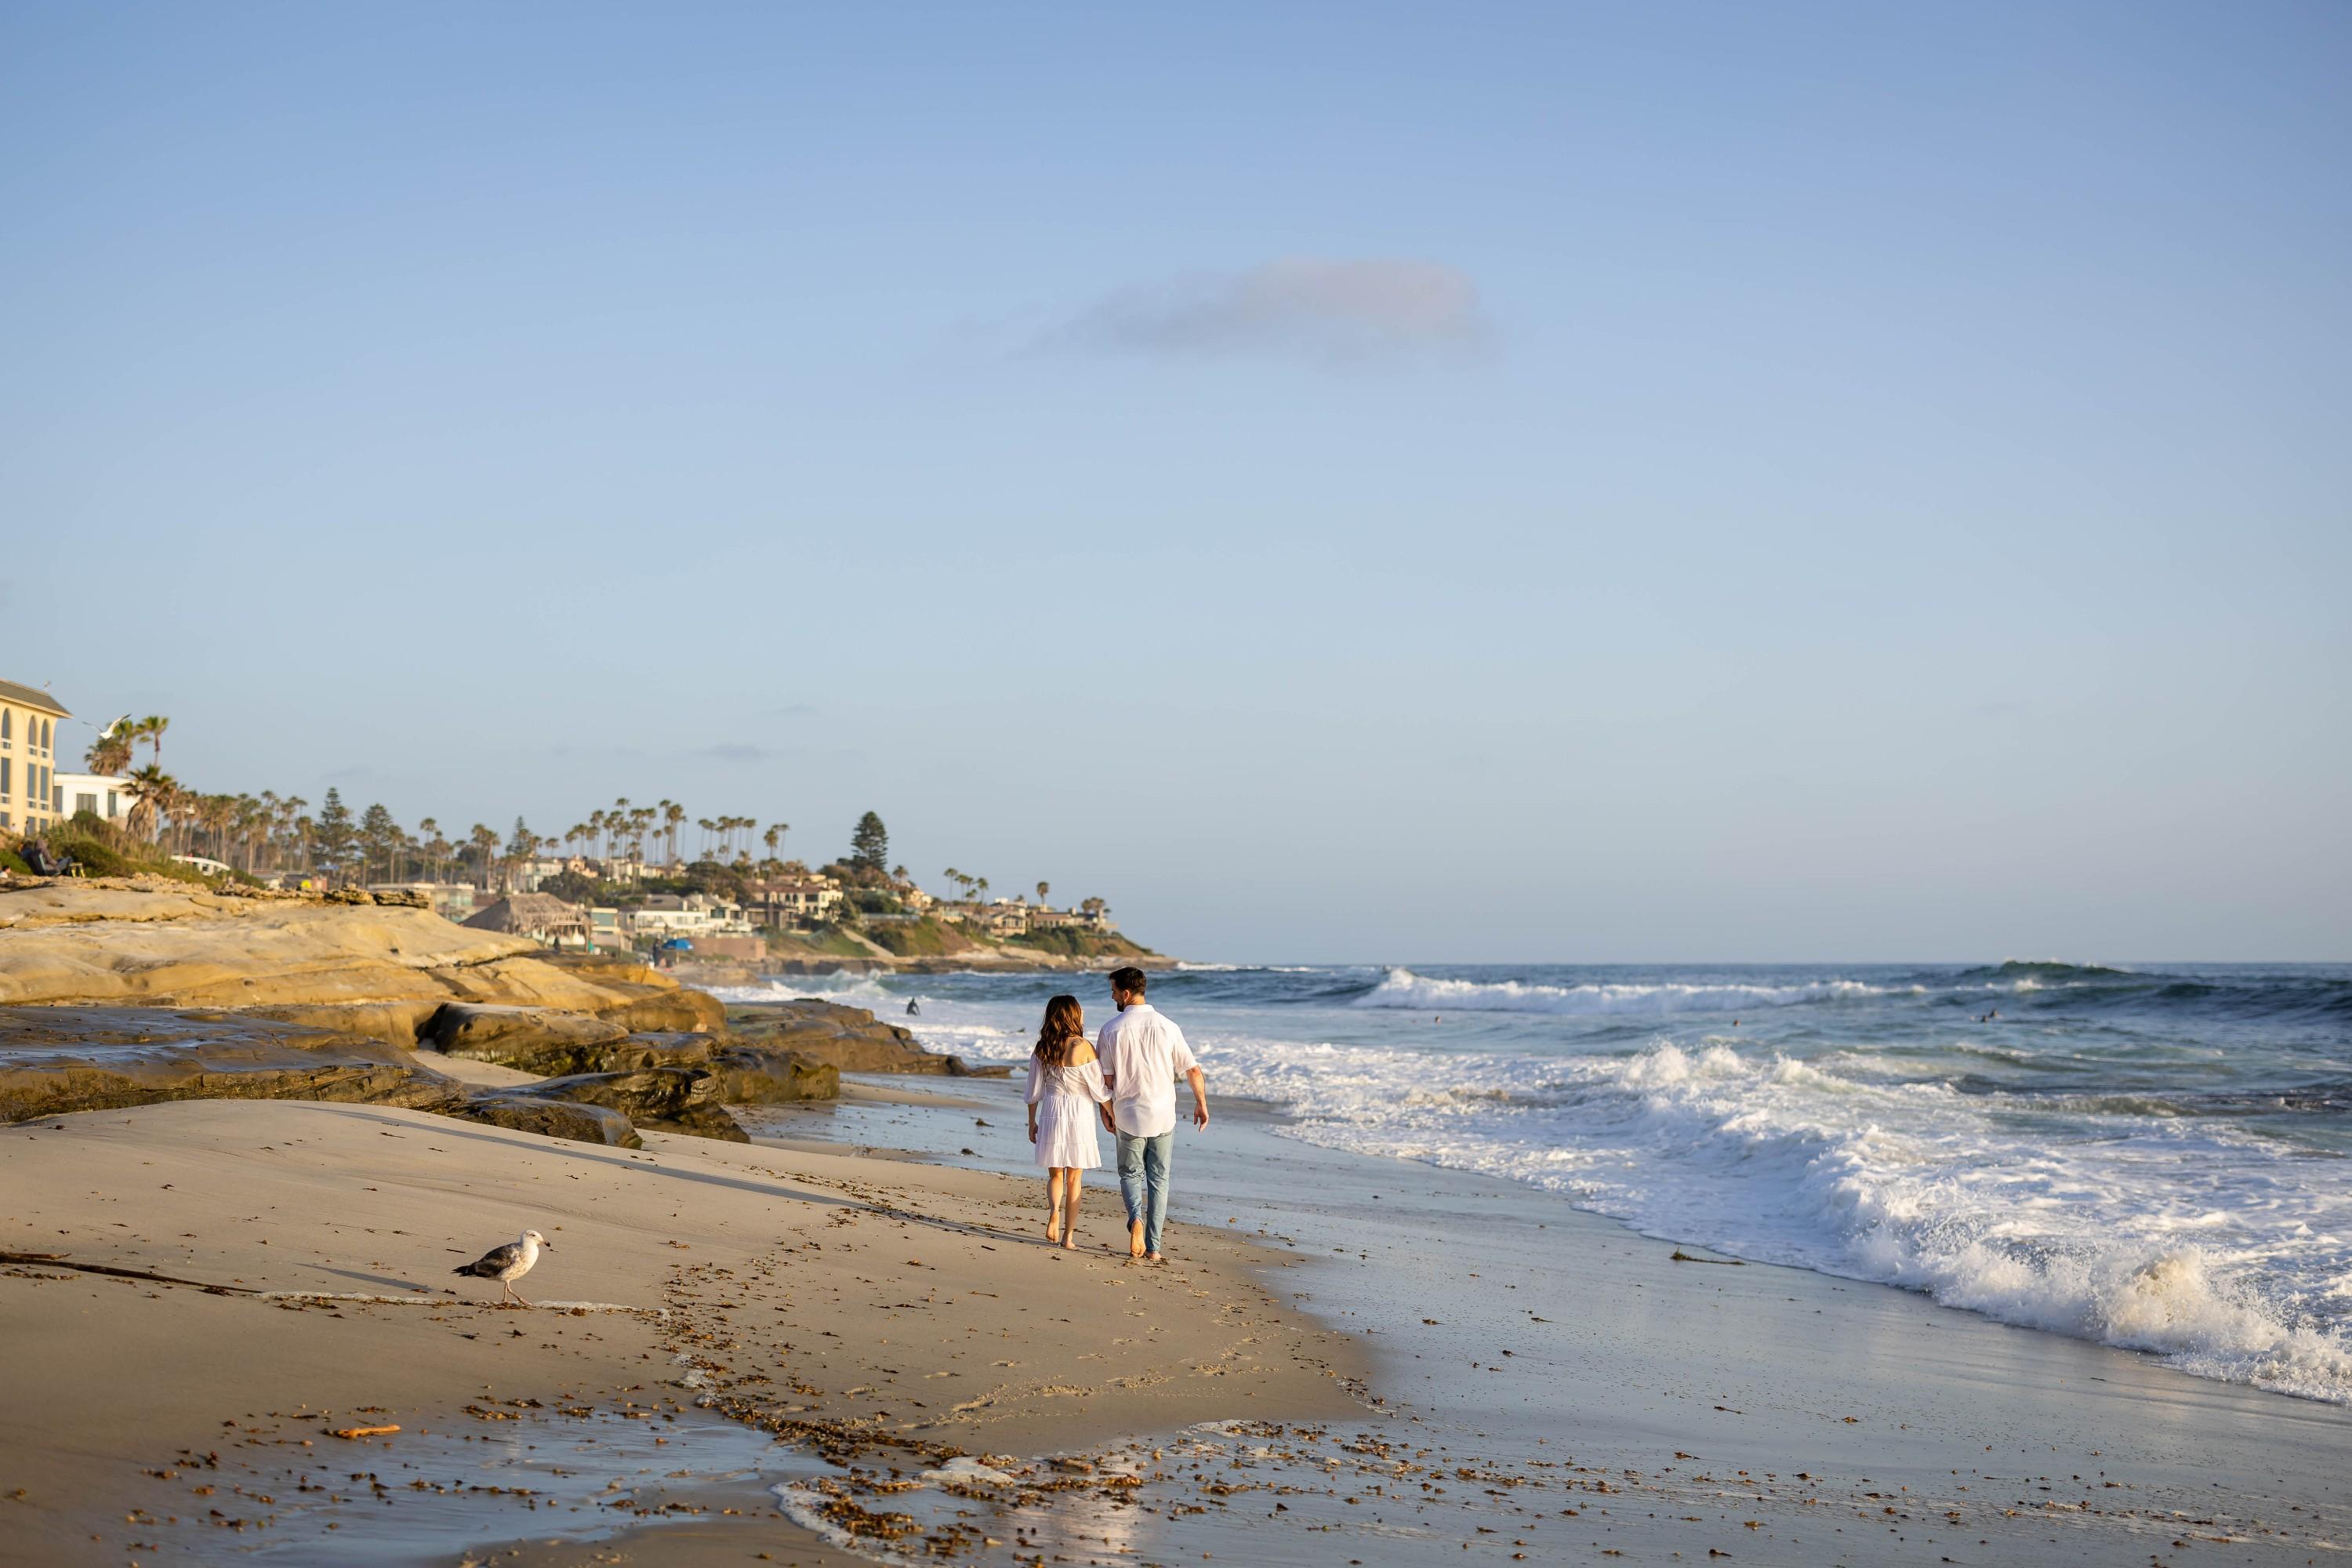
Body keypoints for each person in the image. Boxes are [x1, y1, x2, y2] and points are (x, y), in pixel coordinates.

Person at [1095, 966, 1207, 1263]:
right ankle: (1154, 1248)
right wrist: (1201, 1103)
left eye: (1114, 991)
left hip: (1128, 1114)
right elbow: (1192, 1069)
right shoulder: (1169, 1026)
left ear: (1126, 994)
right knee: (1159, 1180)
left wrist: (1104, 1111)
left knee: (1130, 1174)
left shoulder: (1109, 1030)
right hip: (1163, 1116)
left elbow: (1105, 1081)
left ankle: (1135, 1220)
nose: (1112, 996)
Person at [1025, 994, 1111, 1250]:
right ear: (1074, 1015)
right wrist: (1112, 1114)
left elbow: (1033, 1092)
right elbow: (1098, 1090)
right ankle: (1068, 1237)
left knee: (1055, 1174)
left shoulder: (1042, 1048)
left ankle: (1053, 1212)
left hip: (1051, 1109)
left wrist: (1031, 1122)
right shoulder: (1082, 1047)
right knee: (1075, 1178)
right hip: (1079, 1113)